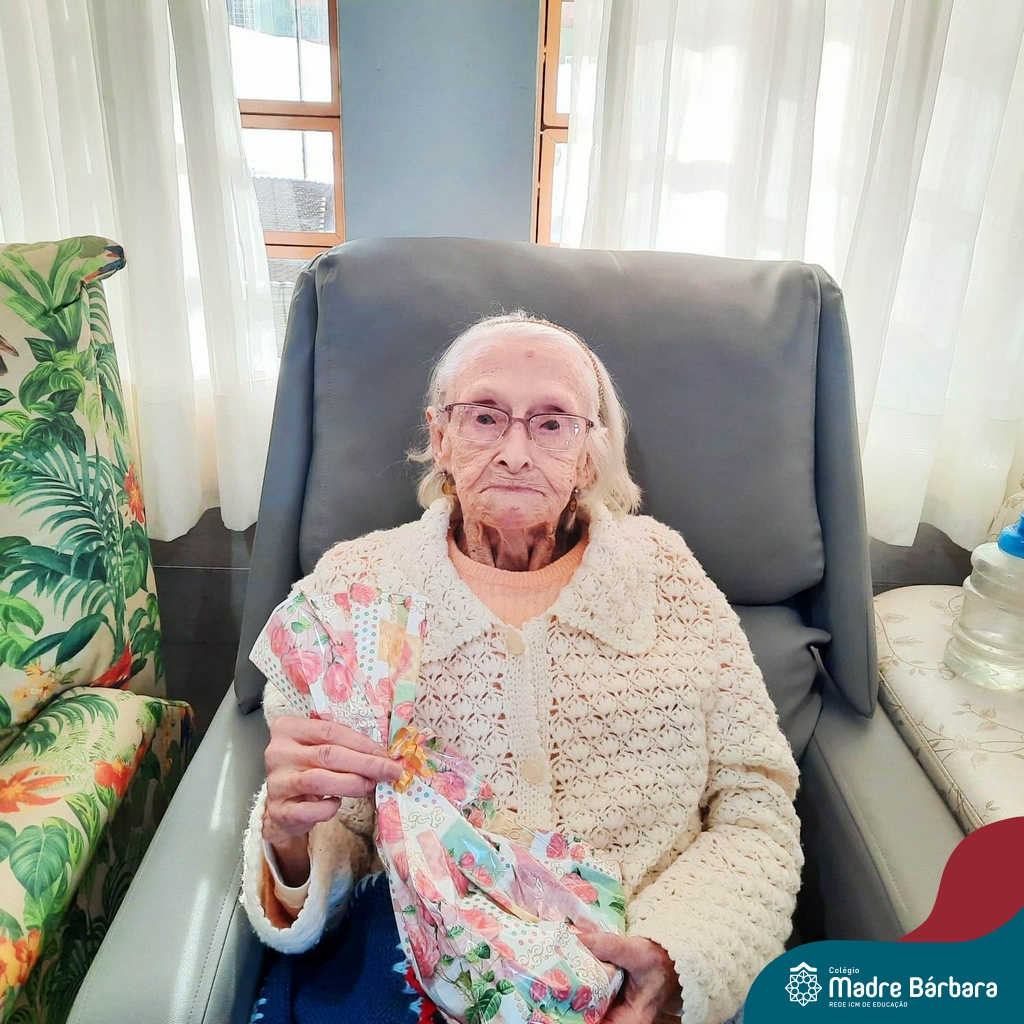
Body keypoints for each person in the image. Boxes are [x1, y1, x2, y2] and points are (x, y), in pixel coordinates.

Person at [241, 311, 801, 1024]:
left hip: (642, 979)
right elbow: (342, 837)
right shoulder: (355, 591)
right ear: (440, 437)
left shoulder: (666, 574)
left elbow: (755, 805)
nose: (514, 453)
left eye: (551, 423)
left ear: (590, 454)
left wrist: (672, 959)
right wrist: (289, 844)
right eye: (484, 416)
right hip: (428, 976)